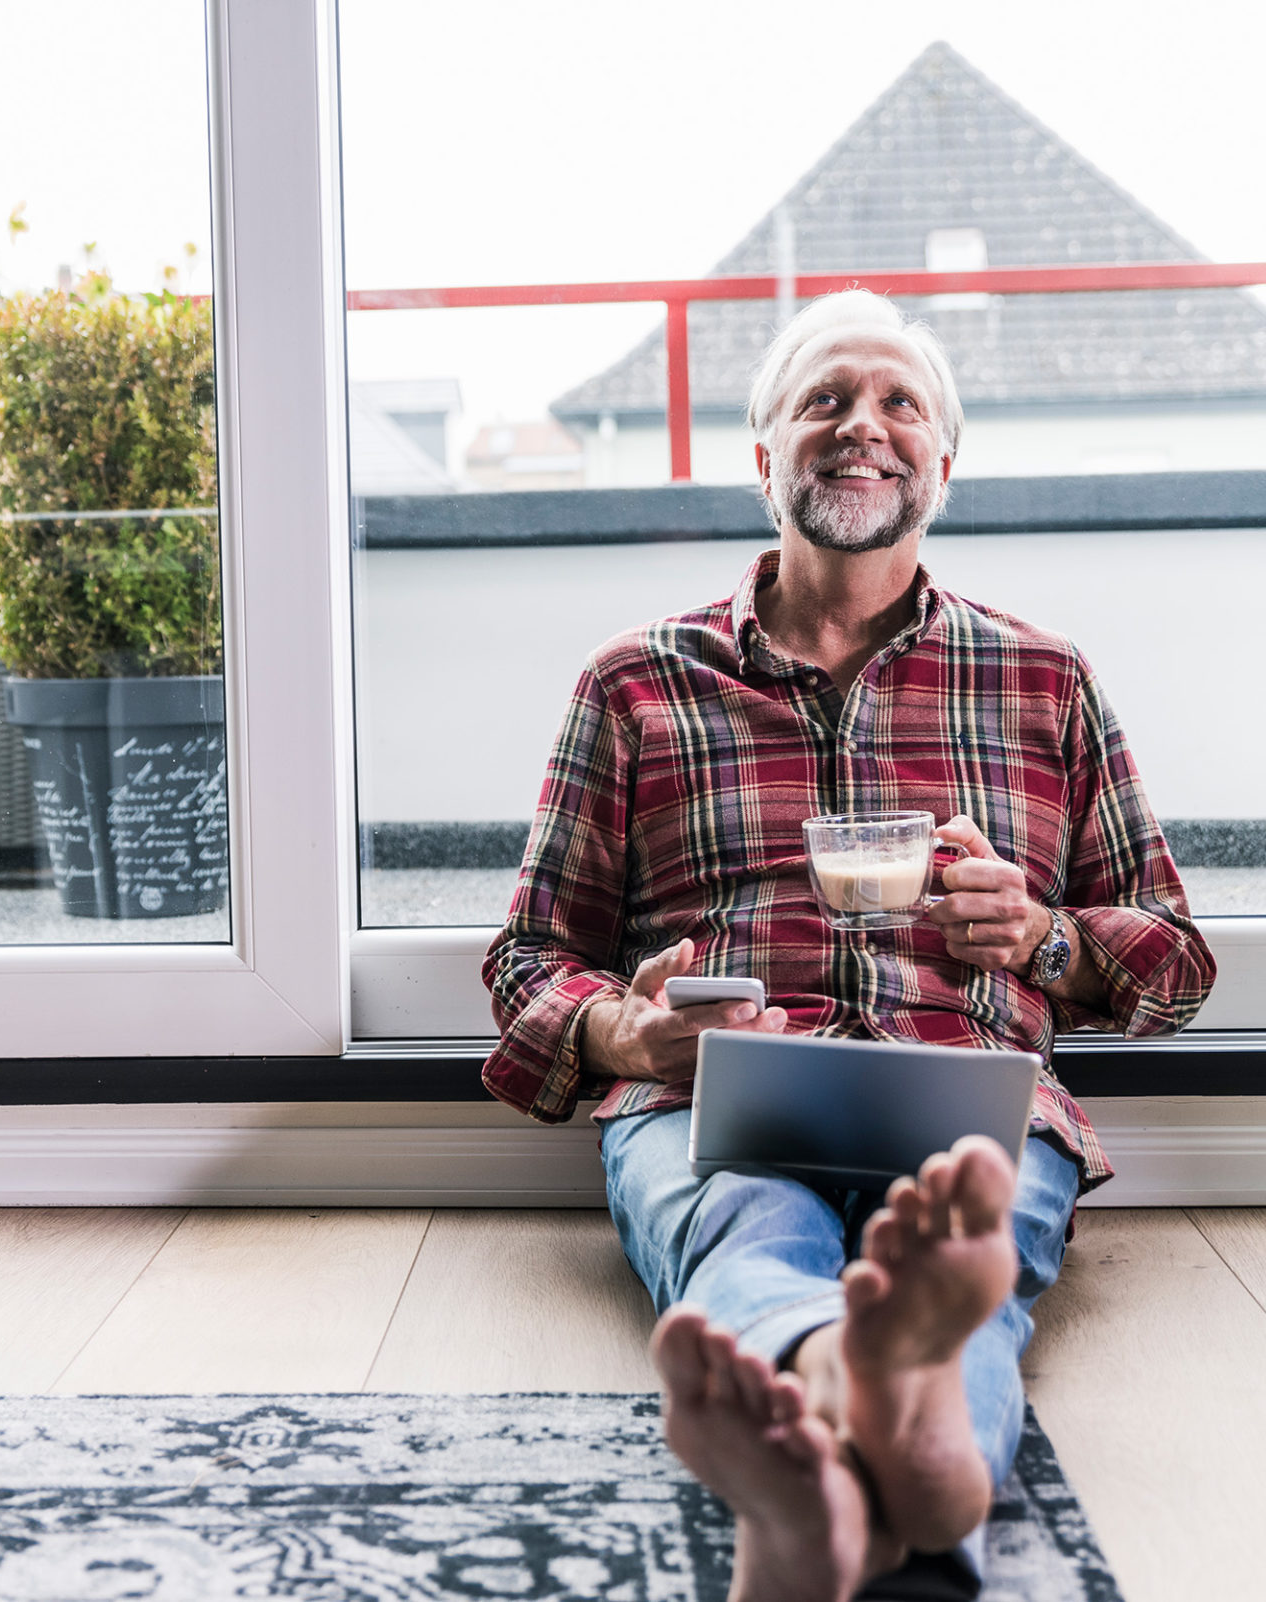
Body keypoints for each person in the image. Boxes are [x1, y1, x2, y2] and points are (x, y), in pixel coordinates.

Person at [480, 289, 1217, 1600]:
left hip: (966, 1091)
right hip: (711, 1098)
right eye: (823, 400)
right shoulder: (635, 684)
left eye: (898, 402)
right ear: (764, 455)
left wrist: (1045, 938)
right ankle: (908, 1461)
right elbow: (531, 958)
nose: (862, 425)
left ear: (944, 461)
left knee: (955, 1256)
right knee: (753, 1226)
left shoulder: (1045, 680)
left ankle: (823, 1474)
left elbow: (1176, 960)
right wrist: (629, 1033)